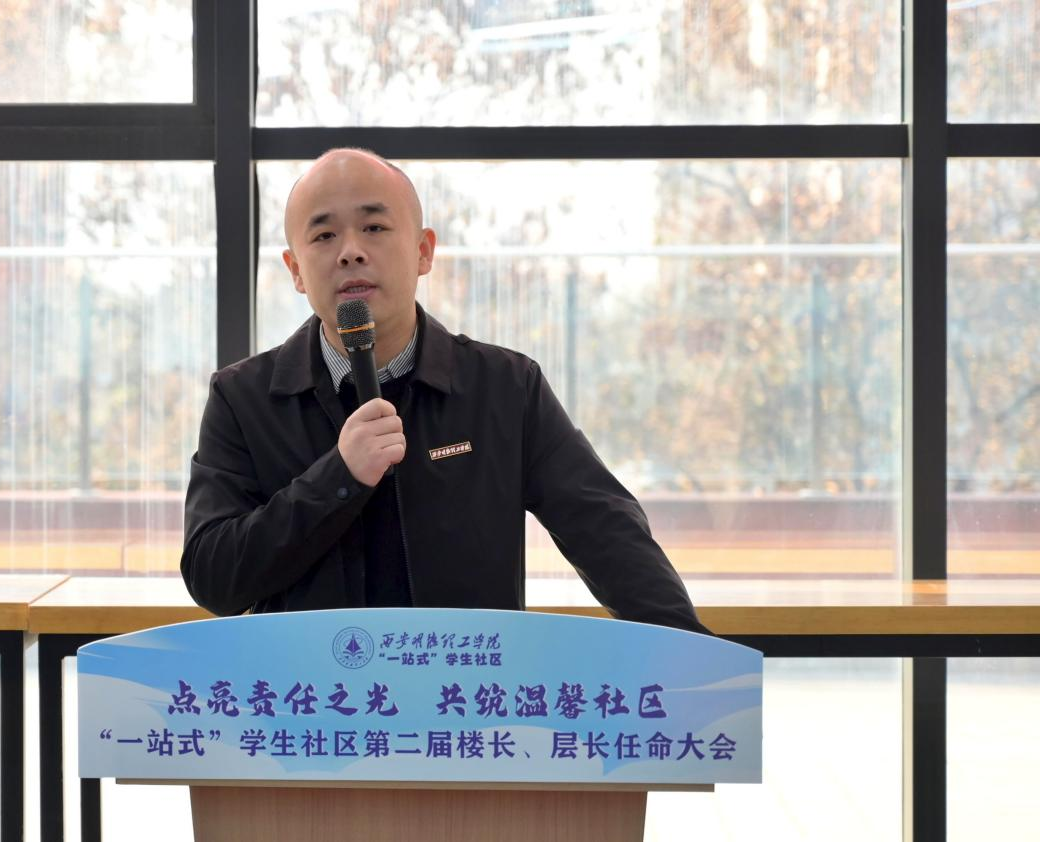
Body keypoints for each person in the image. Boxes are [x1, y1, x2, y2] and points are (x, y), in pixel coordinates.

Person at [181, 148, 709, 635]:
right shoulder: (242, 398)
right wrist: (339, 477)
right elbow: (213, 578)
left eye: (374, 226)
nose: (350, 252)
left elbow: (606, 532)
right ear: (296, 270)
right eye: (323, 236)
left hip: (464, 696)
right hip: (313, 700)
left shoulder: (505, 387)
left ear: (423, 251)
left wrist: (694, 657)